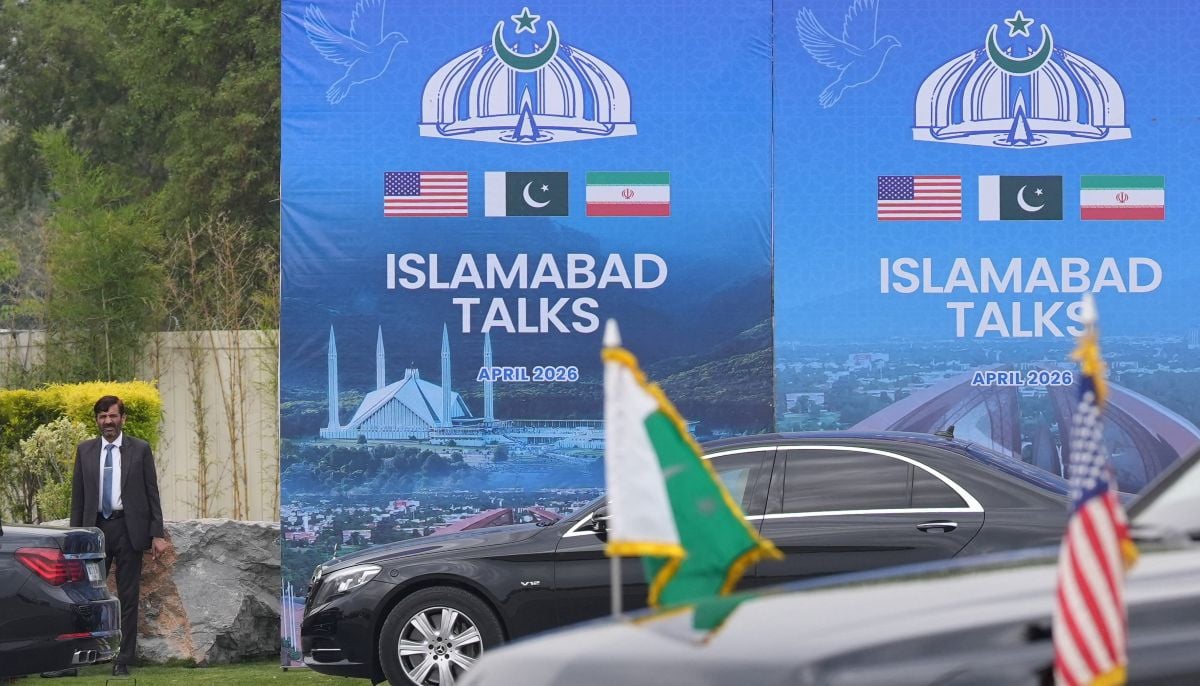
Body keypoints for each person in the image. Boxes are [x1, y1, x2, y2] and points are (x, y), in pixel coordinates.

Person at [69, 395, 167, 677]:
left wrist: (156, 534)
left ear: (122, 418)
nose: (108, 421)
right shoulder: (85, 450)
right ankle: (78, 658)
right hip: (94, 531)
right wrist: (77, 535)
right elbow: (79, 498)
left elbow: (152, 493)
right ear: (97, 420)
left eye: (112, 416)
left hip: (128, 530)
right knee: (83, 596)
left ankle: (123, 660)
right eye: (102, 417)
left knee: (128, 596)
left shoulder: (140, 449)